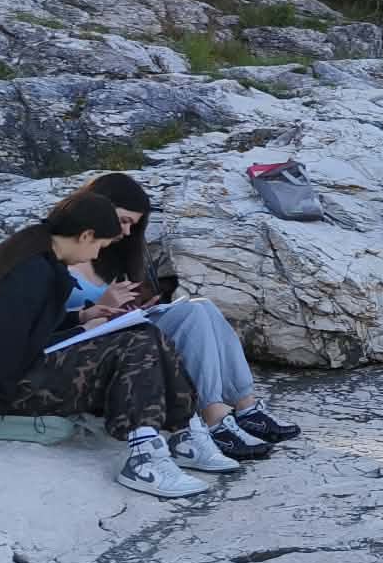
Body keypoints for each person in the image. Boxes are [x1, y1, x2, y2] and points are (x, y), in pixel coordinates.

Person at [0, 194, 212, 498]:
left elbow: (22, 323)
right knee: (137, 341)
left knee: (144, 331)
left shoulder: (30, 253)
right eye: (99, 245)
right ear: (86, 235)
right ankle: (144, 458)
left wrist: (82, 316)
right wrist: (83, 330)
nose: (96, 254)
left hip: (1, 367)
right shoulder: (31, 271)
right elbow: (8, 349)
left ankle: (182, 432)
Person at [69, 173, 297, 460]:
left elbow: (117, 304)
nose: (126, 232)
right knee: (191, 313)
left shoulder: (112, 253)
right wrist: (97, 308)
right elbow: (49, 318)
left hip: (122, 332)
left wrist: (132, 307)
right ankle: (214, 417)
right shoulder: (61, 252)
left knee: (203, 306)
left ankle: (246, 406)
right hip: (90, 347)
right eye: (123, 221)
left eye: (132, 225)